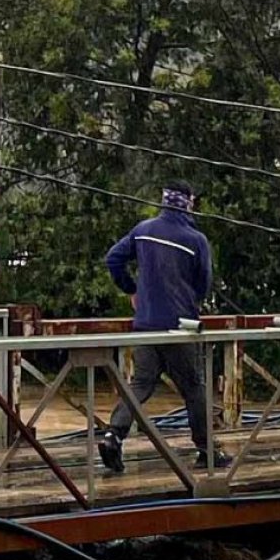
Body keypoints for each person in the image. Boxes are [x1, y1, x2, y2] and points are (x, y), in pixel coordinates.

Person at [97, 181, 230, 474]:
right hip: (180, 326)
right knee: (193, 388)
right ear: (188, 203)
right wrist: (189, 300)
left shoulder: (143, 230)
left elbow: (113, 258)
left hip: (145, 324)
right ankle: (207, 450)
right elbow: (204, 284)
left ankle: (113, 435)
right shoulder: (196, 240)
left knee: (141, 384)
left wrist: (131, 289)